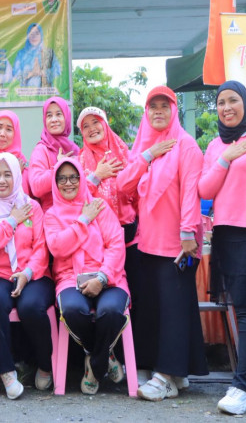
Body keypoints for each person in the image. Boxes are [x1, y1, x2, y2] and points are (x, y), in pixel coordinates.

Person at [116, 86, 207, 401]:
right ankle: (175, 372)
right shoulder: (145, 145)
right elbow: (123, 186)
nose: (157, 111)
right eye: (152, 106)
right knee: (159, 310)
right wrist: (148, 155)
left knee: (174, 311)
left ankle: (166, 376)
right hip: (148, 244)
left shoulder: (186, 145)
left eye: (164, 106)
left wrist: (187, 233)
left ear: (174, 110)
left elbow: (191, 192)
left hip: (179, 244)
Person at [198, 81, 246, 415]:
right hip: (224, 234)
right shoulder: (215, 145)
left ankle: (243, 388)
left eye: (233, 100)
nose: (226, 108)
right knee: (241, 307)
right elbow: (205, 189)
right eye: (221, 102)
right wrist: (225, 158)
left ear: (245, 103)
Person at [45, 158, 129, 395]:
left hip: (109, 277)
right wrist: (83, 220)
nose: (68, 183)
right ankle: (104, 356)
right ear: (55, 183)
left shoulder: (99, 206)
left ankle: (94, 366)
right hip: (70, 278)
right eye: (62, 178)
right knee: (72, 310)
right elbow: (58, 247)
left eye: (74, 177)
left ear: (82, 179)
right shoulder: (52, 215)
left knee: (110, 311)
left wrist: (102, 278)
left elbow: (115, 245)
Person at [0, 152, 54, 399]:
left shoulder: (32, 206)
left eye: (7, 174)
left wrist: (27, 274)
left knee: (31, 306)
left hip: (34, 273)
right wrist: (11, 221)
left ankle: (45, 364)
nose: (1, 180)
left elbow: (41, 247)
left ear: (17, 176)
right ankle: (7, 372)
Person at [77, 107, 141, 347]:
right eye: (85, 126)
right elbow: (77, 200)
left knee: (131, 297)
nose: (91, 128)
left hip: (129, 235)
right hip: (98, 241)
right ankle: (103, 351)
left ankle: (129, 356)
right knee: (100, 299)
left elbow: (138, 191)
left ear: (105, 124)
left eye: (95, 122)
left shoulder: (124, 152)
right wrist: (97, 175)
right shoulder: (80, 160)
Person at [29, 97, 80, 212]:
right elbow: (36, 188)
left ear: (66, 117)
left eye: (58, 114)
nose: (54, 119)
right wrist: (58, 166)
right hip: (52, 215)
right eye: (49, 115)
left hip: (78, 212)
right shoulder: (41, 150)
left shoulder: (75, 149)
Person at [12, 23, 60, 88]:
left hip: (45, 92)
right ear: (28, 36)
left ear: (41, 35)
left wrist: (41, 72)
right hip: (25, 92)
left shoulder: (48, 52)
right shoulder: (21, 54)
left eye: (37, 33)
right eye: (31, 34)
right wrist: (31, 73)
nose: (34, 37)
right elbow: (15, 74)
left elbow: (57, 71)